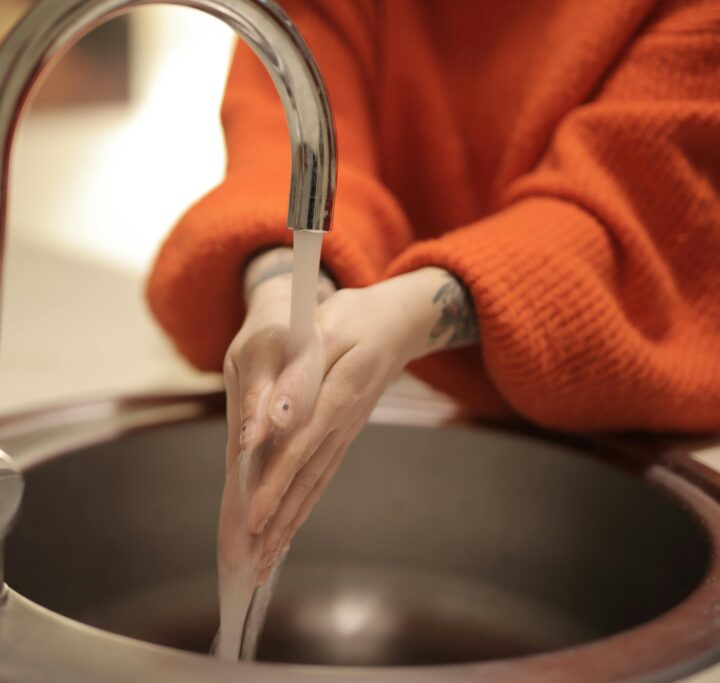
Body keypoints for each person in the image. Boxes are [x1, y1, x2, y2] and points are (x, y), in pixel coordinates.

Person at [146, 0, 720, 583]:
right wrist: (281, 286)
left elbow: (645, 212)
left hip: (647, 444)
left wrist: (413, 313)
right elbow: (289, 131)